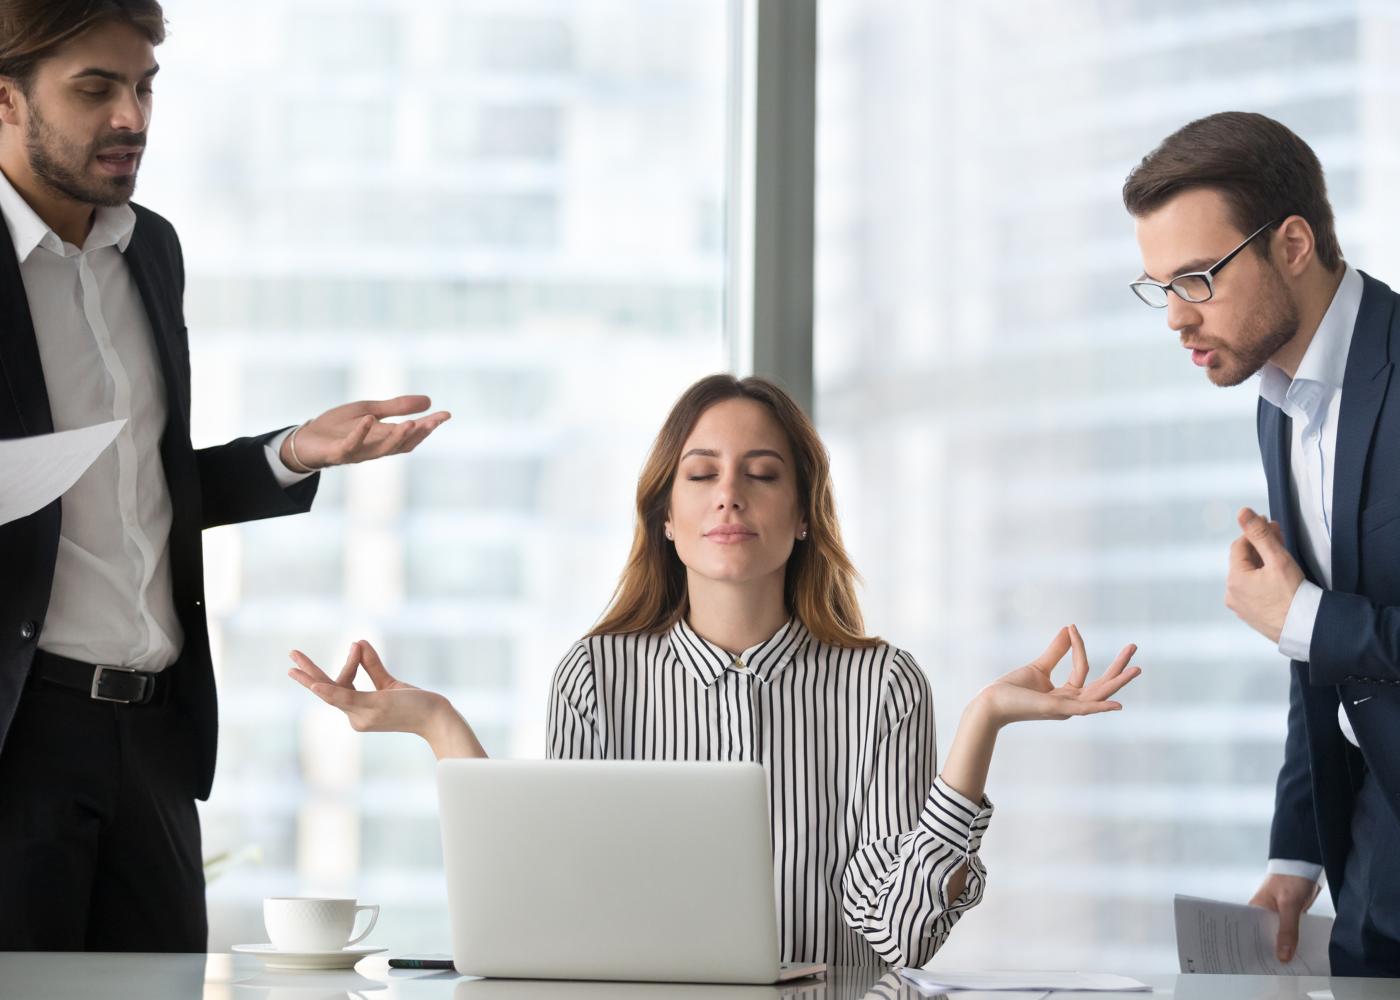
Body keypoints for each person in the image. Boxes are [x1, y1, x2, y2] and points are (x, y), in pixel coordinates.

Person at [290, 373, 1141, 967]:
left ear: (802, 517)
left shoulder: (882, 686)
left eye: (761, 475)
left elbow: (900, 933)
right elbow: (555, 903)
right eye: (702, 475)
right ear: (668, 515)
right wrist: (439, 725)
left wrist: (981, 723)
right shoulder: (596, 676)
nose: (729, 495)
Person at [0, 1, 450, 952]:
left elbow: (134, 484)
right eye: (96, 89)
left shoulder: (149, 251)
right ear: (6, 98)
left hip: (155, 743)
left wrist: (290, 455)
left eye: (144, 86)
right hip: (18, 740)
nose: (132, 117)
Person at [1124, 111, 1400, 976]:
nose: (1174, 318)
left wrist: (1308, 621)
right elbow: (1313, 654)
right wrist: (1295, 857)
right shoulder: (1276, 404)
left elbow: (1311, 626)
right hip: (1373, 859)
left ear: (1291, 243)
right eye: (1159, 286)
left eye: (1197, 278)